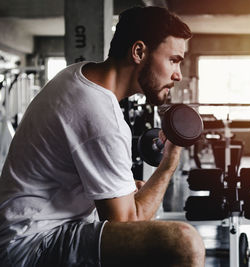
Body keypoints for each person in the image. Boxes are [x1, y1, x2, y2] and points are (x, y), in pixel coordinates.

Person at [0, 6, 205, 267]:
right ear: (139, 52)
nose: (178, 74)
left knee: (136, 193)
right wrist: (169, 164)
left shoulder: (78, 76)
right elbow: (129, 225)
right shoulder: (99, 114)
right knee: (184, 243)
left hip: (29, 233)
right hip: (31, 246)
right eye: (173, 60)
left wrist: (131, 199)